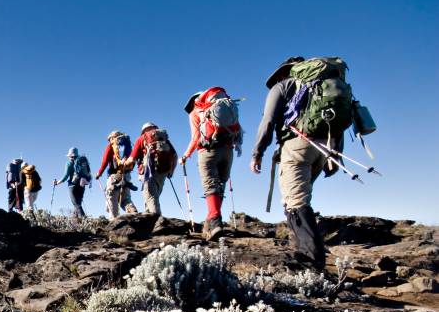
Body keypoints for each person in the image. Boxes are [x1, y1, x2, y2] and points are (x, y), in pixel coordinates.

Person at [250, 56, 338, 270]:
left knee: (295, 202)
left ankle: (312, 262)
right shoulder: (324, 86)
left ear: (284, 71)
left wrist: (257, 152)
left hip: (297, 146)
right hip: (325, 147)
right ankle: (305, 251)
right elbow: (337, 121)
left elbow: (268, 121)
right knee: (300, 197)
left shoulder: (283, 86)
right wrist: (335, 155)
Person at [182, 88, 242, 240]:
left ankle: (215, 222)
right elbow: (238, 128)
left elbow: (196, 137)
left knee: (210, 186)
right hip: (228, 150)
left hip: (208, 151)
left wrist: (186, 155)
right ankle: (212, 219)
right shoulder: (225, 106)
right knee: (220, 185)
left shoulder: (195, 112)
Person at [123, 122, 177, 229]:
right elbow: (175, 156)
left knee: (151, 197)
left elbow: (131, 159)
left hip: (149, 172)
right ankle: (149, 224)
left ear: (143, 131)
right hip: (163, 172)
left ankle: (158, 224)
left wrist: (124, 163)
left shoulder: (142, 139)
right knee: (152, 197)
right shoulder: (164, 139)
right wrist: (171, 171)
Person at [94, 130, 139, 219]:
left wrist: (99, 173)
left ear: (112, 137)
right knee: (125, 199)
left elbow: (105, 162)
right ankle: (134, 214)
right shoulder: (127, 144)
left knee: (112, 198)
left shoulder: (110, 146)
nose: (109, 141)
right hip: (126, 175)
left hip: (114, 176)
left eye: (109, 139)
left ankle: (113, 220)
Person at [53, 147, 90, 218]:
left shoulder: (69, 163)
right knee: (78, 204)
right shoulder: (82, 162)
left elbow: (66, 176)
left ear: (70, 156)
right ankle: (76, 222)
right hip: (82, 185)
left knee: (76, 204)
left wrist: (57, 182)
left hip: (72, 186)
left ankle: (85, 220)